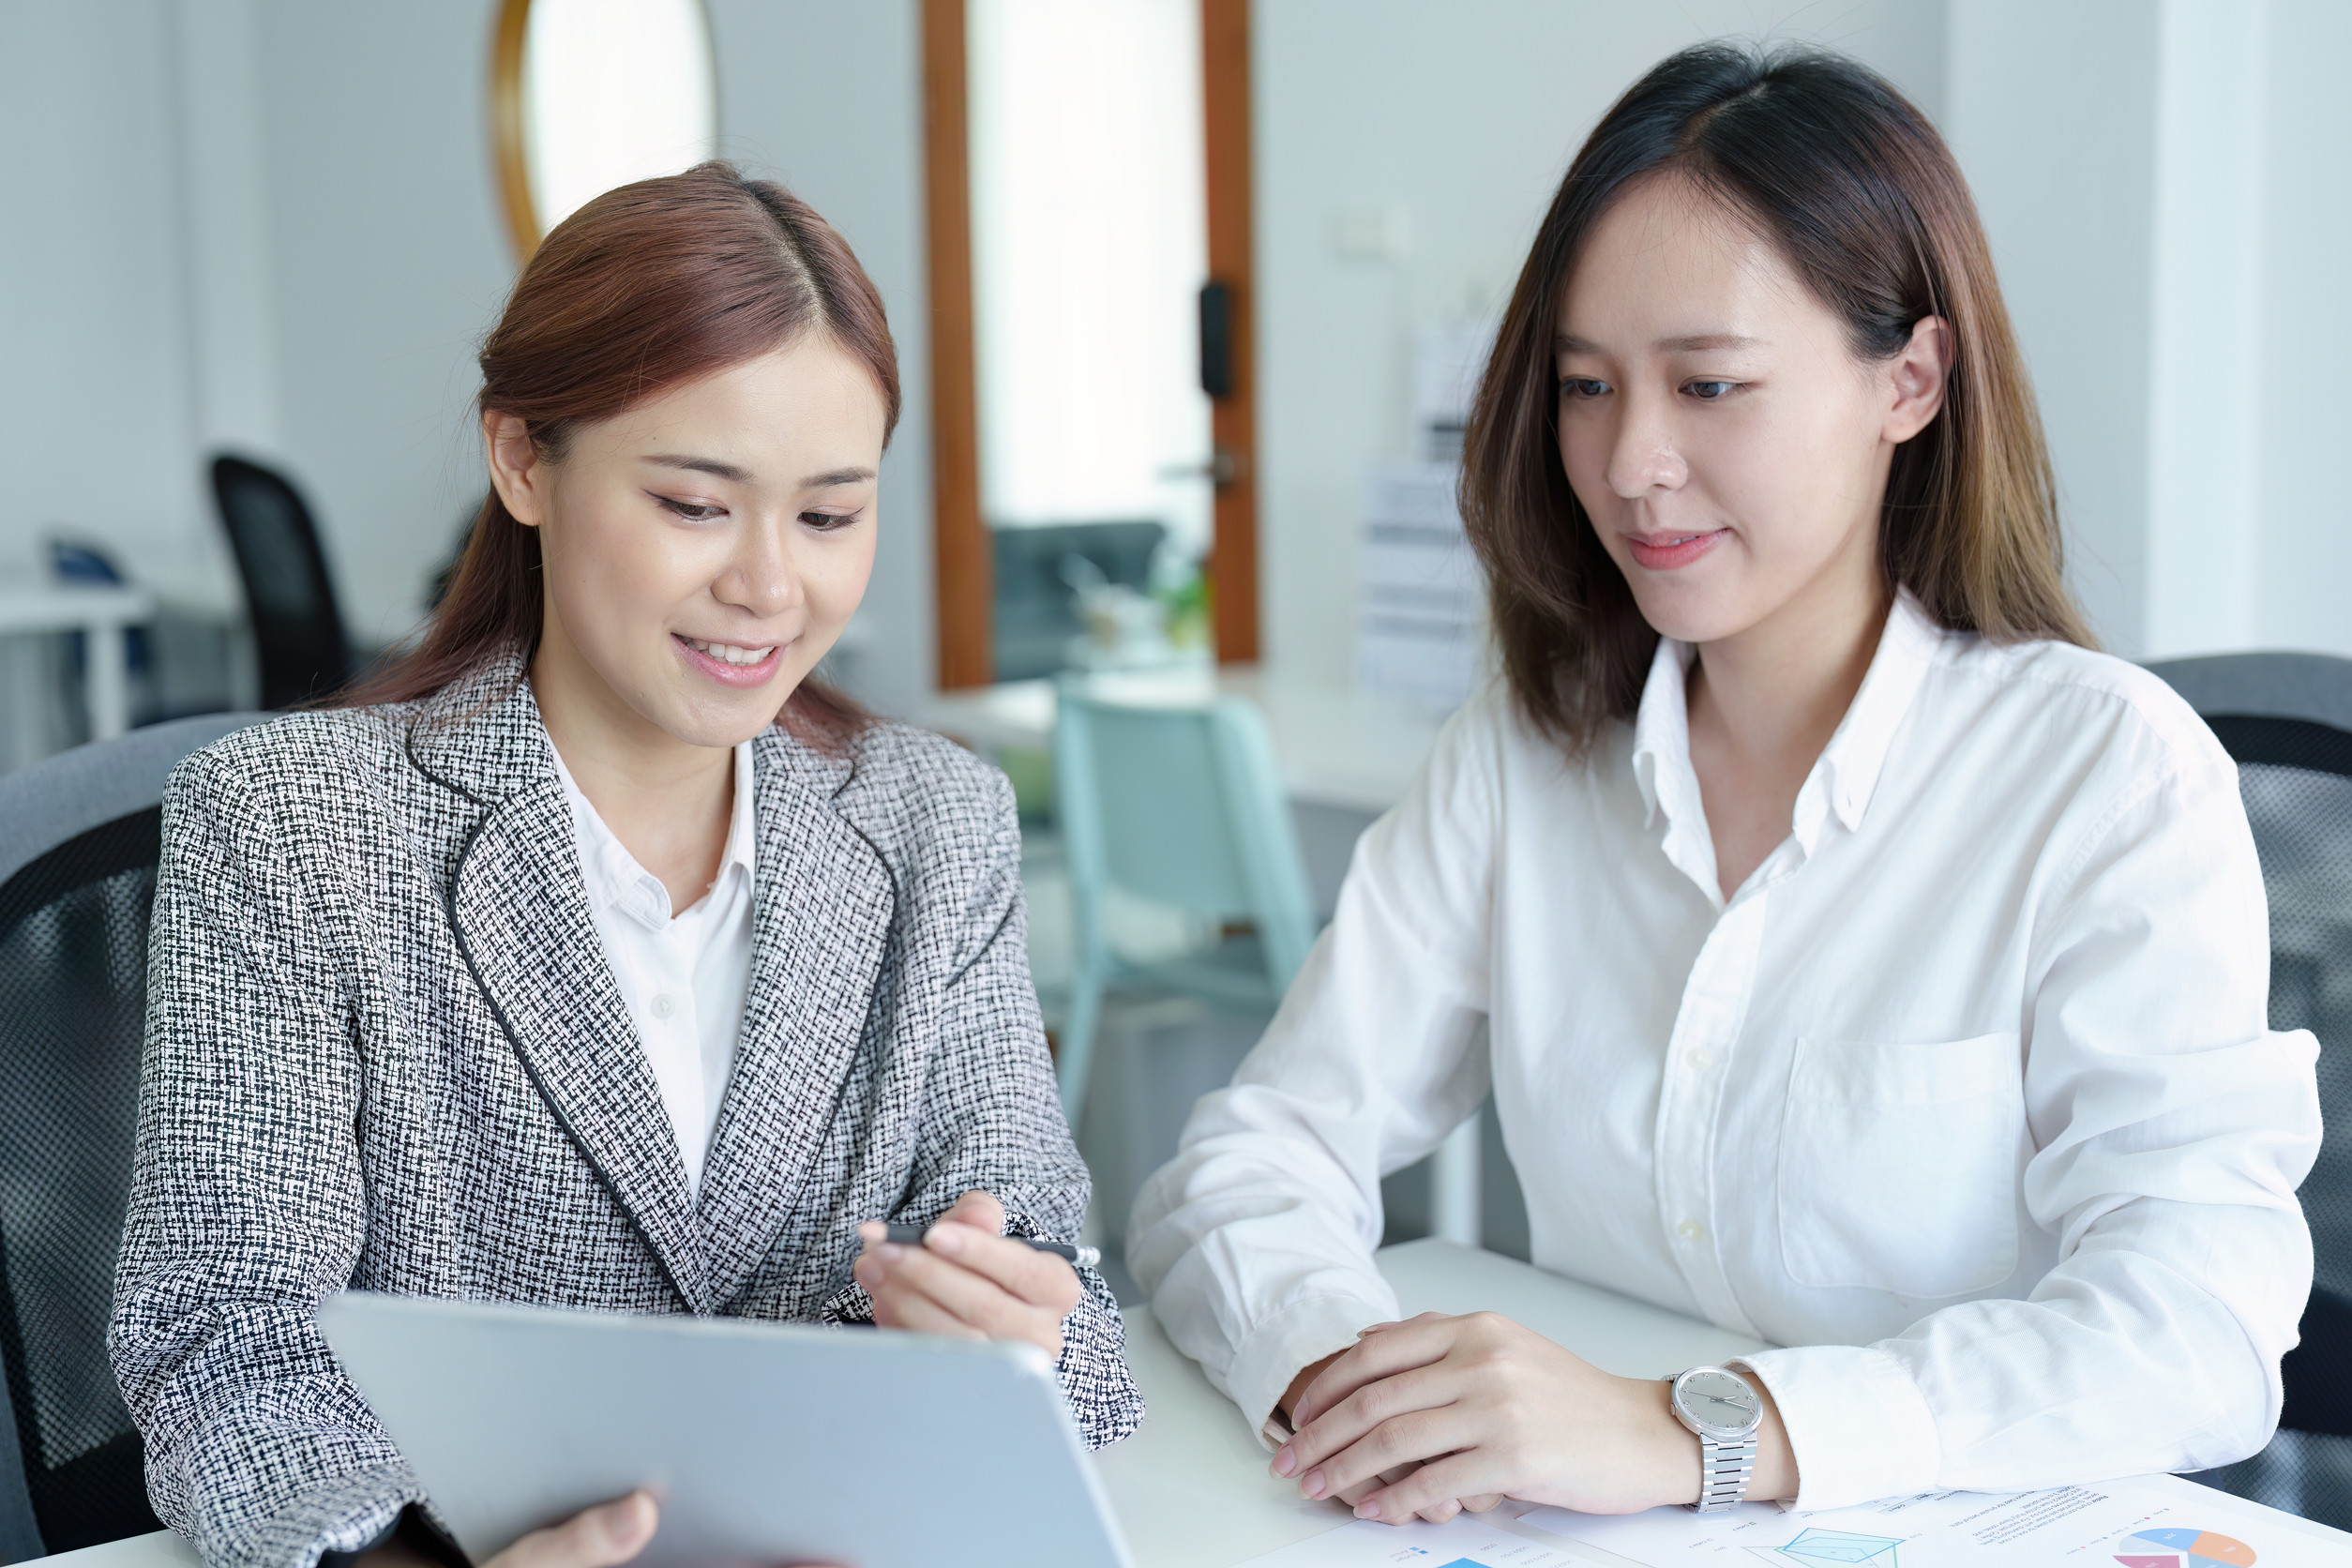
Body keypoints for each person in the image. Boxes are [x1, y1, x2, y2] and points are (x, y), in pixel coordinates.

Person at [1128, 41, 2320, 1529]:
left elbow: (2196, 1327)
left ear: (1910, 381)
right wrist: (1343, 1378)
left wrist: (1706, 1430)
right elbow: (1251, 1156)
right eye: (1585, 386)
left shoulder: (2104, 778)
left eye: (1710, 384)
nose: (1632, 462)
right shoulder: (1525, 753)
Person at [110, 163, 1141, 1568]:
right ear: (524, 461)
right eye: (695, 505)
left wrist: (1011, 1332)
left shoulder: (932, 823)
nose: (771, 588)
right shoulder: (289, 824)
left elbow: (1059, 1291)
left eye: (829, 516)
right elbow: (226, 1336)